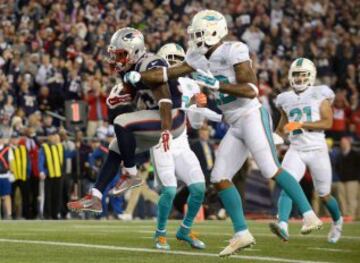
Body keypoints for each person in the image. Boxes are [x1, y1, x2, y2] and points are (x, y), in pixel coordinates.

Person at [124, 10, 323, 256]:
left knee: (270, 167)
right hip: (233, 122)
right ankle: (241, 233)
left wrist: (216, 84)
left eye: (199, 33)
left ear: (214, 32)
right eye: (194, 34)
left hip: (251, 114)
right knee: (219, 177)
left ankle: (309, 215)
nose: (196, 38)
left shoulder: (234, 50)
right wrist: (139, 76)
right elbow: (167, 73)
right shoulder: (196, 55)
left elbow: (251, 89)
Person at [271, 58, 343, 243]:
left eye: (303, 74)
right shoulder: (285, 98)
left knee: (324, 195)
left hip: (317, 148)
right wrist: (272, 140)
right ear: (290, 76)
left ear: (311, 75)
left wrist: (302, 124)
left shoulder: (320, 93)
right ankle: (283, 226)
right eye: (296, 74)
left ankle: (337, 222)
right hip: (296, 148)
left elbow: (328, 122)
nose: (300, 78)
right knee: (287, 185)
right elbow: (282, 128)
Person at [0, 132, 13, 219]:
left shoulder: (8, 149)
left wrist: (12, 173)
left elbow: (11, 162)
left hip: (5, 175)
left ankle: (8, 214)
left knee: (6, 195)